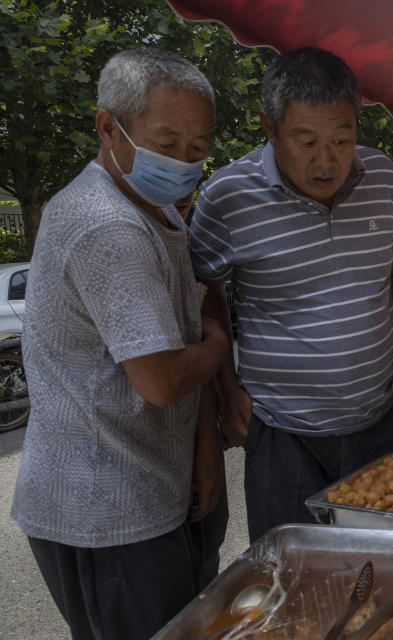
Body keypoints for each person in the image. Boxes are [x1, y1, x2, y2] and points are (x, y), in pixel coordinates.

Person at [10, 48, 229, 640]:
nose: (182, 163)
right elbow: (161, 379)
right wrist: (218, 346)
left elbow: (191, 314)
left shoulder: (162, 212)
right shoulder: (108, 224)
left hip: (164, 487)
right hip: (106, 514)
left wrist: (204, 448)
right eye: (166, 142)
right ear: (108, 126)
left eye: (197, 149)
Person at [189, 47, 393, 544]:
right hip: (281, 432)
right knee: (292, 577)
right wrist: (226, 387)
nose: (327, 160)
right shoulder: (227, 196)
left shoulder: (382, 176)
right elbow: (206, 289)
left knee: (381, 564)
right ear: (269, 129)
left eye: (342, 139)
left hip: (377, 421)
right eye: (306, 140)